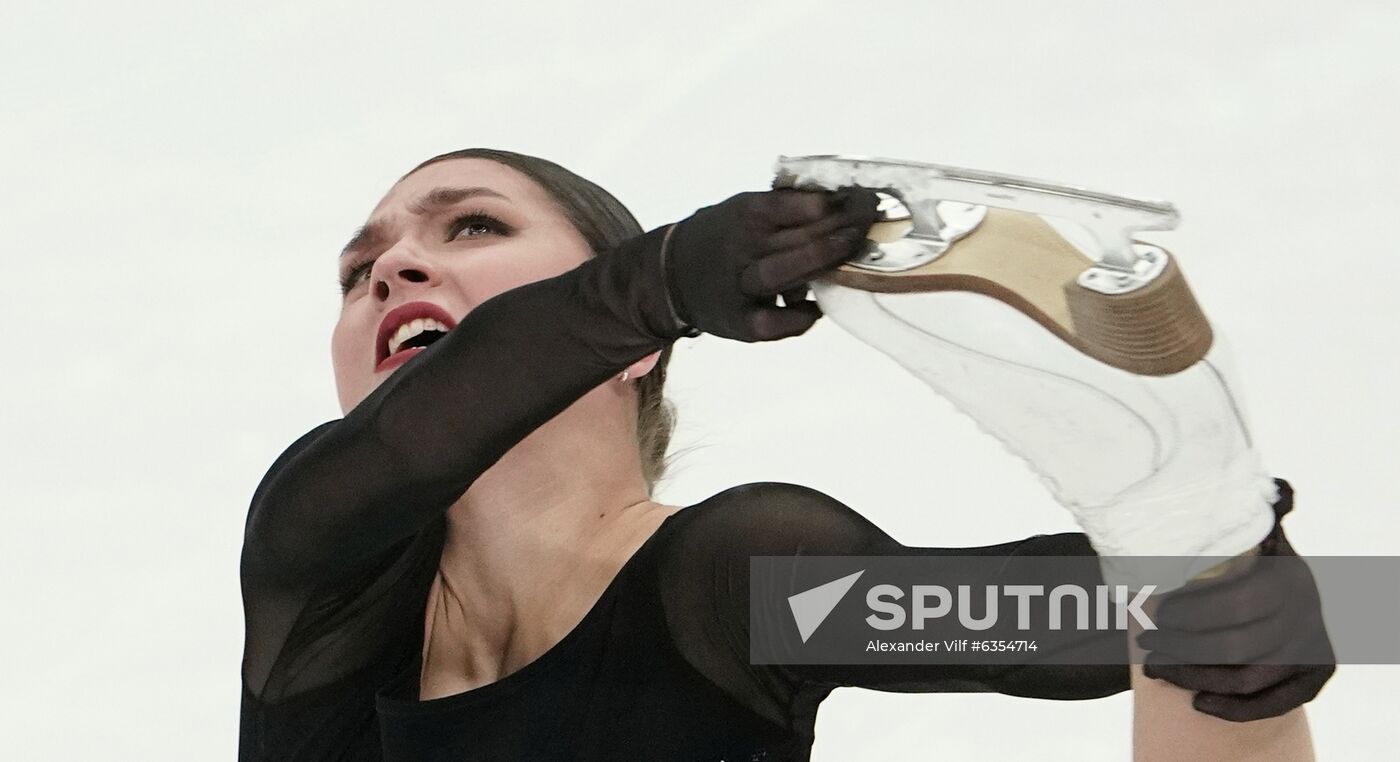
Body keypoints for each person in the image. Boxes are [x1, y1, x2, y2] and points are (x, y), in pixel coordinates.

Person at [238, 148, 1333, 761]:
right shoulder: (324, 565)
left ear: (631, 361)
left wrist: (1213, 572)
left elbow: (1057, 617)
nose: (389, 270)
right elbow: (401, 444)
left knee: (1207, 641)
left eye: (468, 226)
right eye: (356, 271)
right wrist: (654, 280)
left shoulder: (749, 585)